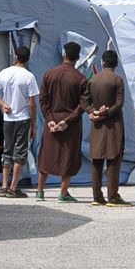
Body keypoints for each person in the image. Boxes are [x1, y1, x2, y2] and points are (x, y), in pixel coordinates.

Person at [0, 45, 40, 199]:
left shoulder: (5, 73)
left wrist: (2, 103)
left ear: (15, 56)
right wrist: (34, 124)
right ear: (28, 59)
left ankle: (3, 186)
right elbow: (32, 103)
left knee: (7, 151)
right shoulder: (29, 76)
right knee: (20, 153)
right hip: (23, 118)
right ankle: (14, 187)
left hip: (8, 118)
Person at [36, 41, 88, 202]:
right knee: (68, 157)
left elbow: (43, 100)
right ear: (78, 58)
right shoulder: (81, 79)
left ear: (64, 55)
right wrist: (67, 121)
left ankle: (40, 192)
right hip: (70, 124)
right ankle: (63, 193)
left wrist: (50, 119)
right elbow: (82, 106)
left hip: (51, 121)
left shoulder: (49, 74)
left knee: (46, 155)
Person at [82, 49, 129, 206]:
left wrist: (93, 111)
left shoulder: (93, 80)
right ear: (116, 63)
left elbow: (84, 101)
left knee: (96, 160)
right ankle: (113, 196)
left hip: (97, 125)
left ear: (102, 62)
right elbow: (119, 103)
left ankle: (97, 196)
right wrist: (106, 112)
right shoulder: (117, 79)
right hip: (113, 124)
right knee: (113, 159)